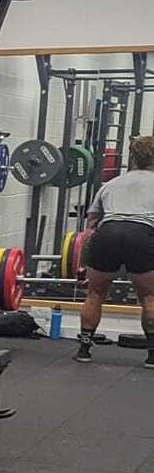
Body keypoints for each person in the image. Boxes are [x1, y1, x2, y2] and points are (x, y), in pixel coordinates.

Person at [75, 133, 154, 363]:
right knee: (149, 297)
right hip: (141, 235)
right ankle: (152, 357)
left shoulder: (111, 184)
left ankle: (84, 350)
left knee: (95, 294)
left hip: (107, 234)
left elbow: (90, 227)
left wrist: (83, 263)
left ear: (133, 157)